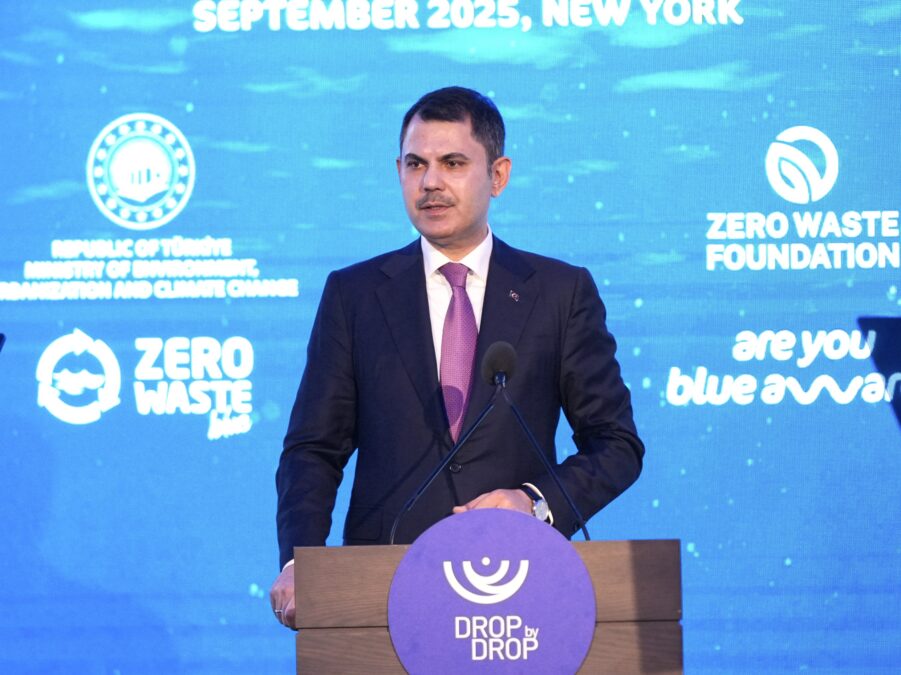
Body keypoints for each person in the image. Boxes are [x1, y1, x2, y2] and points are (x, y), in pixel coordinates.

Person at [270, 86, 644, 628]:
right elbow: (313, 449)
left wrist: (535, 502)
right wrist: (299, 560)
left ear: (498, 175)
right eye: (415, 164)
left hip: (518, 588)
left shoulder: (559, 293)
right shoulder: (355, 296)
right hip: (385, 587)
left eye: (452, 163)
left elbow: (616, 444)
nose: (430, 182)